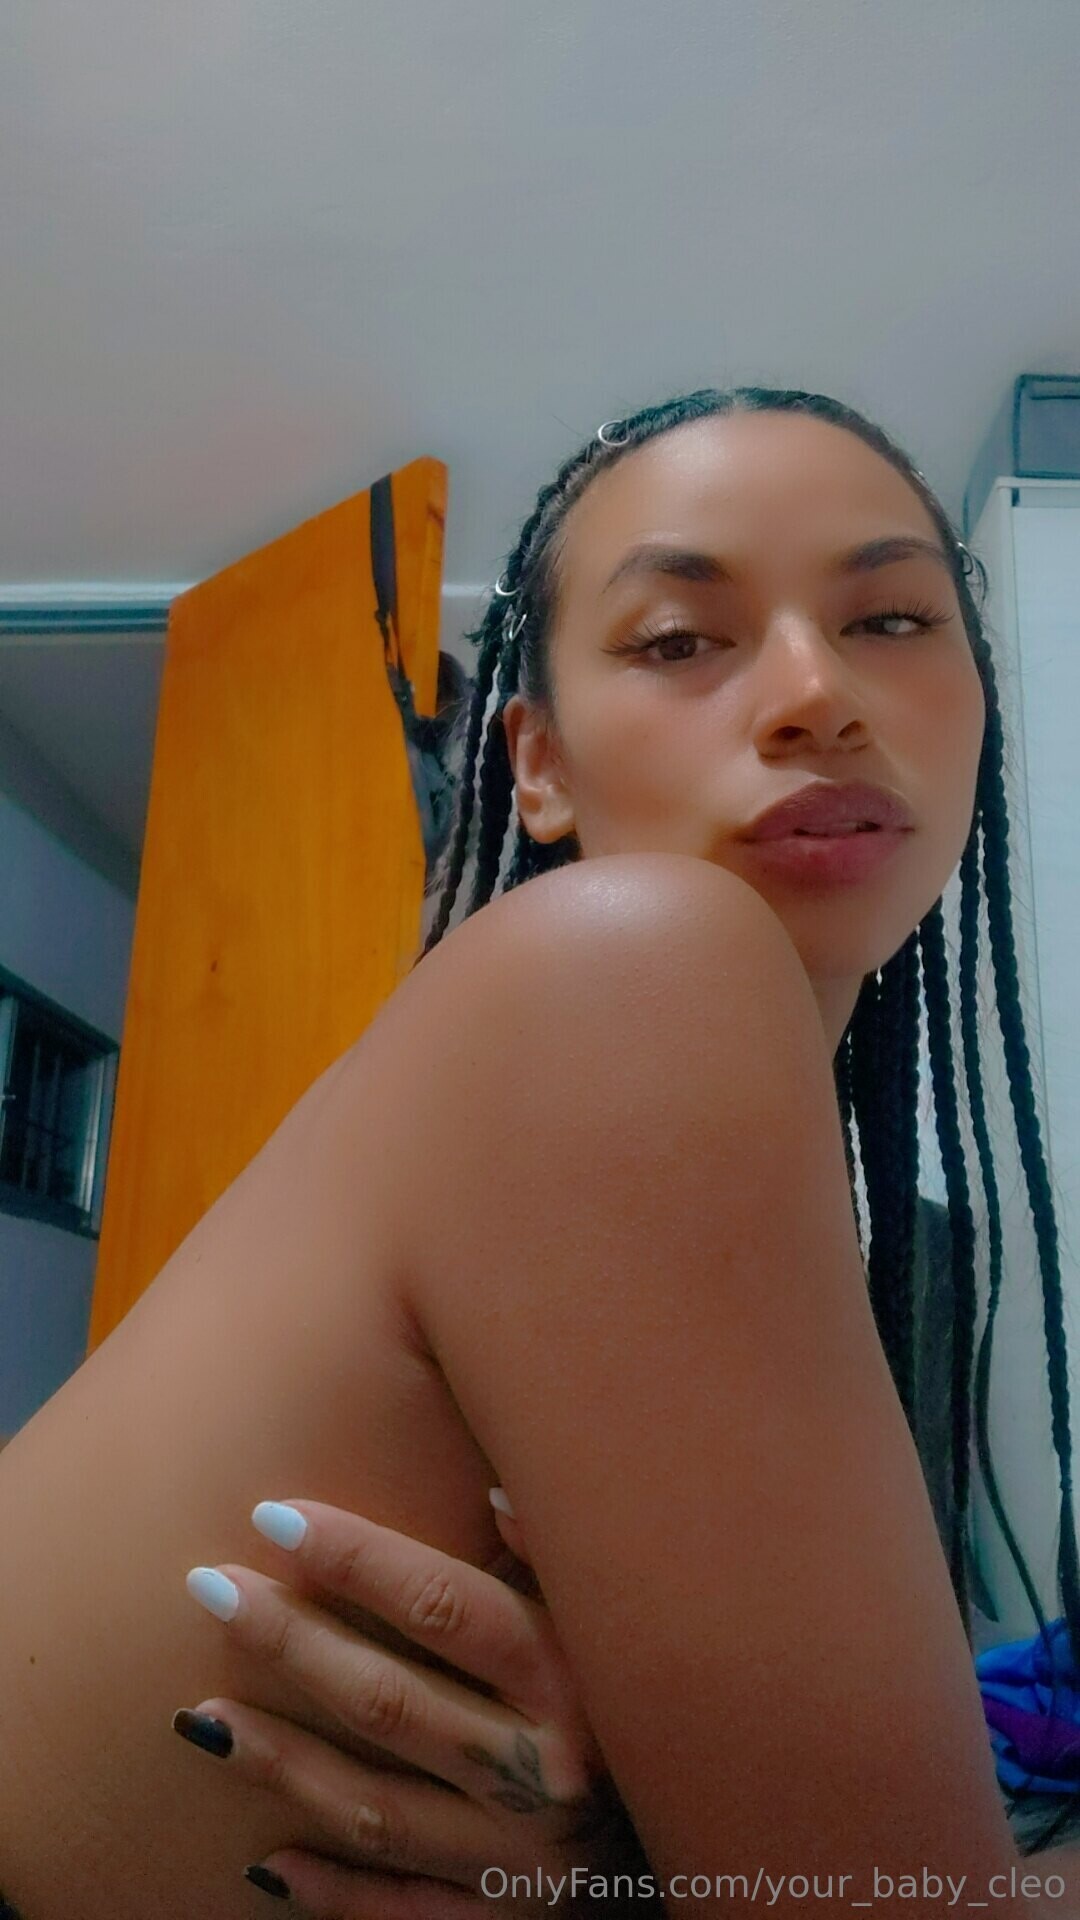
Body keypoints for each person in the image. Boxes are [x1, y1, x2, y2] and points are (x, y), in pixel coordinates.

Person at [2, 387, 1079, 1920]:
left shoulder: (765, 1161)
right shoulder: (630, 969)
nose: (816, 693)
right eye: (681, 639)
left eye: (893, 620)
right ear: (539, 763)